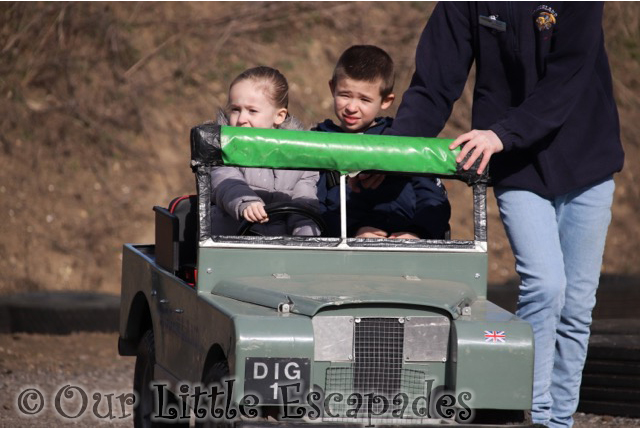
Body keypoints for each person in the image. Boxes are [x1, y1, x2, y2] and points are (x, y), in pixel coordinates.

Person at [386, 3, 624, 427]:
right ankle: (528, 414)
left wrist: (502, 133)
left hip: (586, 160)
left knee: (576, 306)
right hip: (516, 165)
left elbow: (566, 78)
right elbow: (434, 85)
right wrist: (389, 155)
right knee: (546, 285)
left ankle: (559, 421)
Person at [314, 45, 450, 239]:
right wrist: (353, 231)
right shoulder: (318, 141)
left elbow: (431, 194)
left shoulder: (402, 140)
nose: (352, 107)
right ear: (332, 88)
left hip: (405, 240)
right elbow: (314, 202)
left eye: (364, 99)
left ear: (386, 101)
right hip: (345, 245)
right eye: (345, 95)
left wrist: (418, 232)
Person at [210, 66, 320, 236]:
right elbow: (226, 181)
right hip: (233, 240)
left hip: (280, 249)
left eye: (252, 111)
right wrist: (246, 201)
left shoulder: (300, 156)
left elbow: (304, 203)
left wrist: (306, 236)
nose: (241, 119)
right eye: (235, 109)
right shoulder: (222, 147)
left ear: (279, 116)